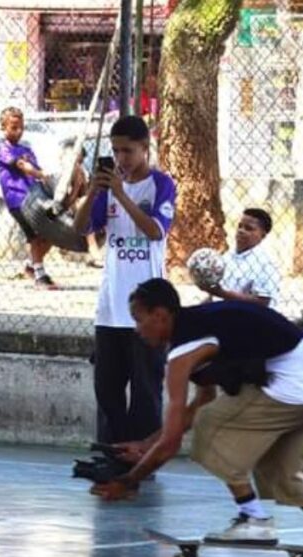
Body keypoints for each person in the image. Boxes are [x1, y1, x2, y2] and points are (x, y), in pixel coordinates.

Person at [93, 278, 303, 557]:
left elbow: (174, 440)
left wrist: (129, 480)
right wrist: (146, 444)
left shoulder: (182, 353)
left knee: (210, 426)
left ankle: (253, 518)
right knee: (279, 469)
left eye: (139, 320)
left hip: (299, 384)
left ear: (160, 315)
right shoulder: (202, 325)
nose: (137, 330)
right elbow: (202, 400)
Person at [72, 114, 177, 446]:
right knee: (107, 388)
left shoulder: (161, 184)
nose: (121, 159)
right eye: (115, 151)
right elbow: (80, 228)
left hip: (147, 312)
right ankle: (111, 452)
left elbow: (154, 231)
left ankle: (142, 455)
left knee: (146, 389)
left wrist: (123, 194)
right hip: (111, 307)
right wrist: (93, 193)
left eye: (128, 151)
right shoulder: (108, 187)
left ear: (145, 148)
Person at [0, 106, 58, 290]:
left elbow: (35, 167)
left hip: (33, 197)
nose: (19, 131)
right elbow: (25, 167)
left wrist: (44, 177)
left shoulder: (26, 149)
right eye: (14, 127)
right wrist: (41, 174)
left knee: (52, 232)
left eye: (21, 127)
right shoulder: (4, 149)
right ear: (3, 127)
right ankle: (40, 276)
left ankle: (31, 266)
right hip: (17, 199)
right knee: (35, 235)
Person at [200, 208, 279, 307]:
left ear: (262, 235)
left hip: (248, 317)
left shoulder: (266, 262)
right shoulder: (227, 256)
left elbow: (262, 302)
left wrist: (221, 293)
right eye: (240, 226)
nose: (241, 231)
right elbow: (214, 297)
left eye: (249, 228)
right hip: (221, 312)